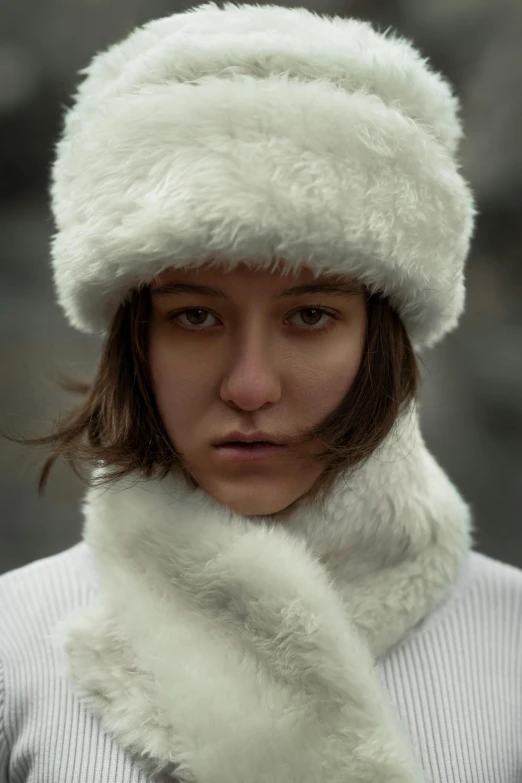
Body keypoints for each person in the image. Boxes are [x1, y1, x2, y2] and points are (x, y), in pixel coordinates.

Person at [0, 2, 520, 782]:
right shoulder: (12, 643)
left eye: (311, 315)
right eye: (195, 315)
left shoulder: (512, 638)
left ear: (385, 337)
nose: (249, 384)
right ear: (132, 339)